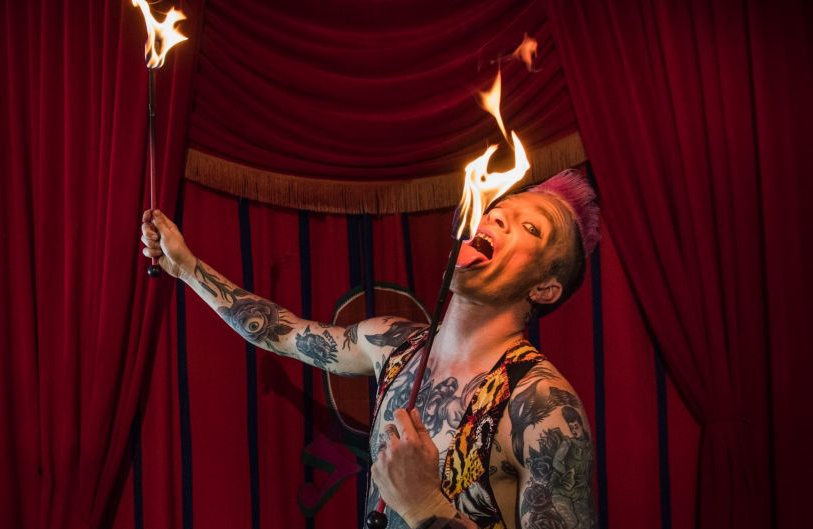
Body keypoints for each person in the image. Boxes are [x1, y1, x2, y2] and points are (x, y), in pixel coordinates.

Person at [141, 169, 600, 529]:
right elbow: (279, 332)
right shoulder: (394, 344)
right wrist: (187, 268)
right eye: (499, 210)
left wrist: (425, 504)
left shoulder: (543, 407)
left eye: (530, 228)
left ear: (544, 288)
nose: (497, 217)